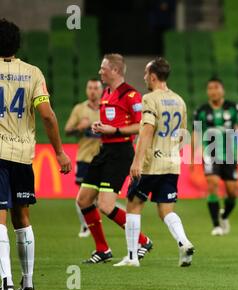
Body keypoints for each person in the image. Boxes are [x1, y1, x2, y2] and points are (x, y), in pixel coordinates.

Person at [0, 18, 72, 290]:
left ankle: (4, 281)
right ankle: (27, 283)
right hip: (22, 155)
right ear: (18, 43)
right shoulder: (33, 73)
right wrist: (59, 152)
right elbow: (47, 116)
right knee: (23, 218)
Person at [114, 57, 194, 267]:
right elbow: (183, 134)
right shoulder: (179, 100)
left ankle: (132, 257)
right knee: (166, 210)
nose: (143, 78)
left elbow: (147, 130)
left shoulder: (149, 99)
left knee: (133, 204)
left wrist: (137, 162)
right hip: (172, 162)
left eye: (145, 74)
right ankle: (184, 242)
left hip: (151, 164)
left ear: (152, 76)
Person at [76, 54, 152, 264]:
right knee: (83, 200)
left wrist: (115, 130)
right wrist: (100, 127)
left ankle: (143, 240)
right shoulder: (107, 94)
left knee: (106, 205)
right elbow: (111, 121)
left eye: (103, 68)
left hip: (121, 152)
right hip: (104, 150)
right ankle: (102, 249)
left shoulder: (131, 95)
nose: (100, 71)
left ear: (115, 71)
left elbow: (142, 125)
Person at [192, 78, 238, 236]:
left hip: (230, 154)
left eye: (216, 87)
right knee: (212, 184)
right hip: (210, 153)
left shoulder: (233, 107)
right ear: (207, 91)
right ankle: (216, 225)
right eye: (210, 88)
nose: (213, 91)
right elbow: (196, 133)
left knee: (232, 192)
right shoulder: (201, 110)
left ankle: (223, 216)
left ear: (222, 90)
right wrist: (191, 157)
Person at [64, 79, 102, 238]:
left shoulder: (107, 109)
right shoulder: (79, 109)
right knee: (83, 195)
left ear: (101, 90)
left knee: (101, 197)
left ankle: (95, 225)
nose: (93, 91)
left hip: (103, 159)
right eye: (90, 88)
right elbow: (67, 131)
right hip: (85, 158)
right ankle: (86, 226)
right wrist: (80, 127)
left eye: (96, 88)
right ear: (87, 90)